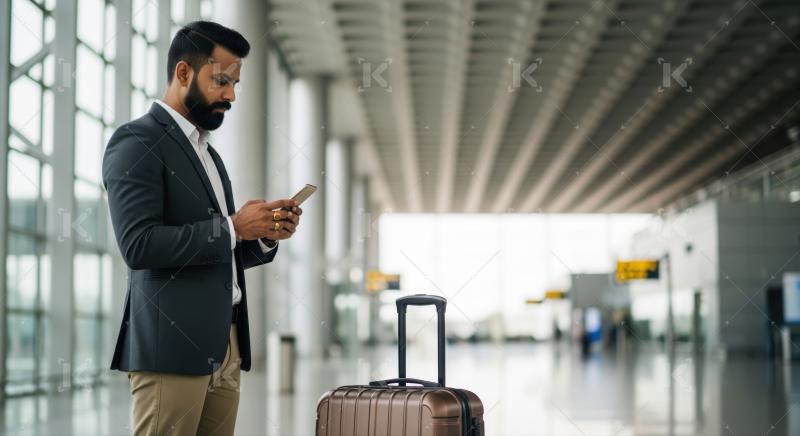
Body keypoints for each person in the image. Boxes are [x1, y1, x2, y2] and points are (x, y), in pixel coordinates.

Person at [102, 21, 301, 435]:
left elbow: (220, 250)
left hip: (224, 344)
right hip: (171, 350)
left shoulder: (209, 154)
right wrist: (231, 226)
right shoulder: (136, 141)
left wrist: (262, 235)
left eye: (235, 84)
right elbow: (139, 246)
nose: (230, 95)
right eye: (221, 81)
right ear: (183, 73)